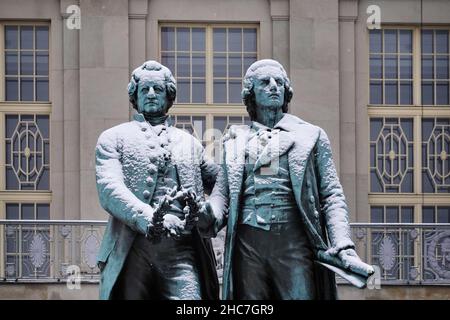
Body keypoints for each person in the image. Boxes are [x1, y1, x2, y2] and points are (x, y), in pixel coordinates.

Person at [205, 59, 374, 299]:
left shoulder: (311, 135)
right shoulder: (234, 140)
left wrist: (343, 244)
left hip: (293, 243)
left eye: (279, 82)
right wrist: (205, 213)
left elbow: (332, 194)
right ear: (251, 94)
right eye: (265, 82)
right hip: (247, 246)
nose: (274, 86)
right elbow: (221, 195)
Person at [95, 60, 219, 300]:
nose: (151, 94)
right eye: (145, 90)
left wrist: (205, 214)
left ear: (168, 96)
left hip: (183, 251)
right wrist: (150, 218)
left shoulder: (190, 143)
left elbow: (221, 186)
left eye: (158, 89)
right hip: (134, 248)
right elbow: (109, 188)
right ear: (135, 96)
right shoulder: (113, 138)